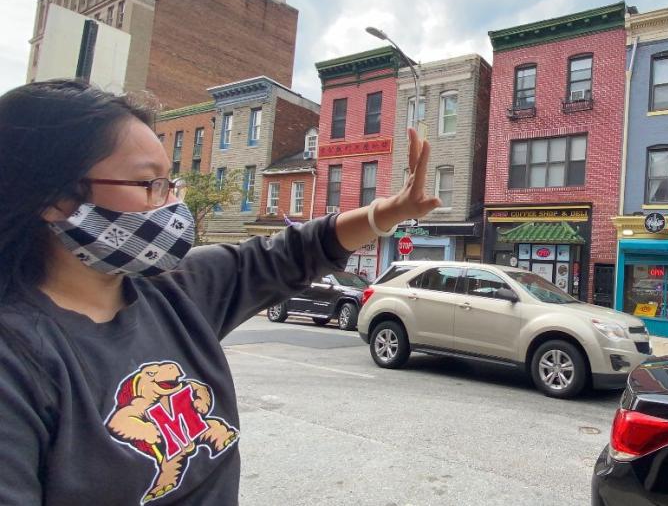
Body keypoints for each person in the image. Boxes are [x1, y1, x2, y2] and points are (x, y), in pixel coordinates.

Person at [0, 80, 440, 505]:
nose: (171, 205)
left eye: (171, 185)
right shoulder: (18, 358)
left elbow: (293, 253)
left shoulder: (176, 290)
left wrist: (388, 211)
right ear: (57, 198)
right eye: (149, 184)